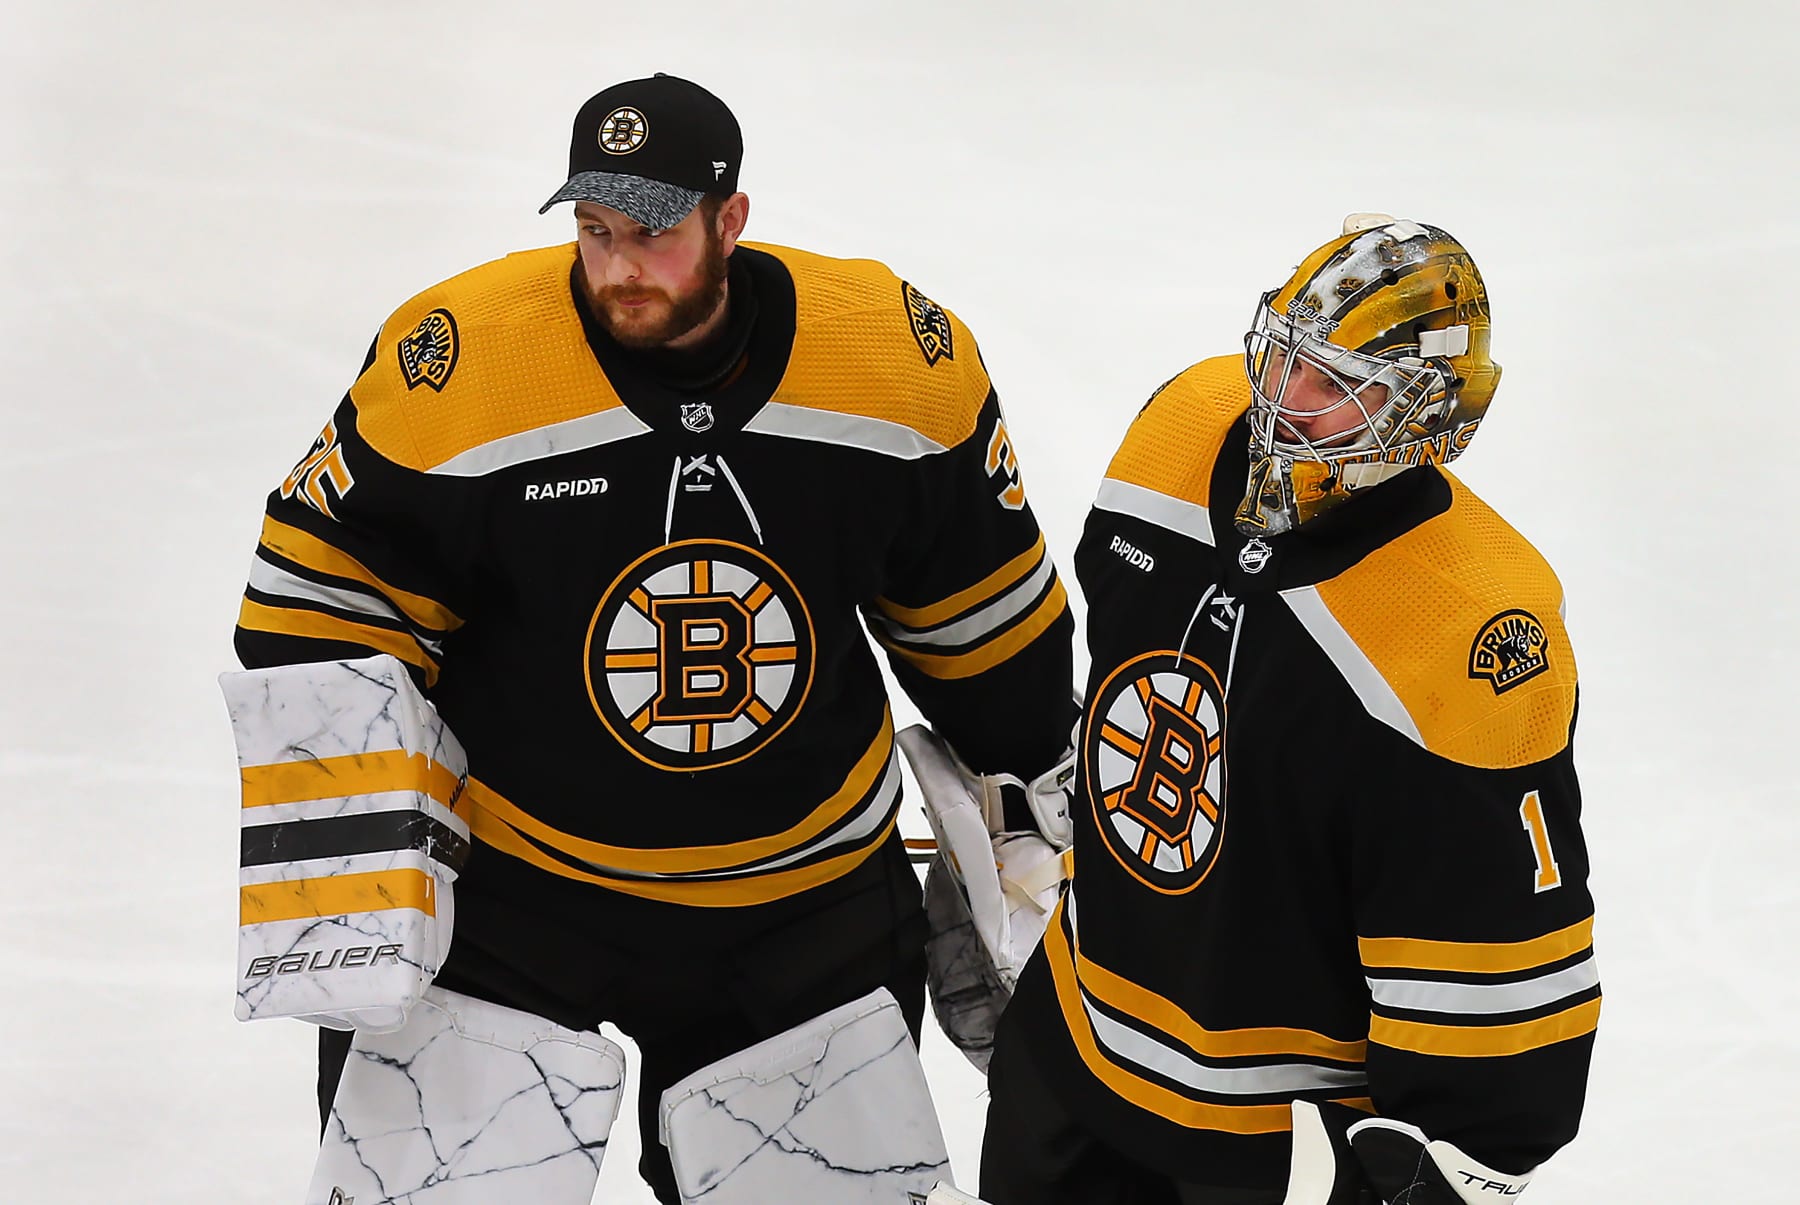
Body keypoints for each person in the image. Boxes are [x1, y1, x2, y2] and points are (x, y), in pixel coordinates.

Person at [229, 72, 1074, 1203]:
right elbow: (311, 606)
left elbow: (984, 620)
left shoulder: (894, 364)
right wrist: (357, 846)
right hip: (516, 894)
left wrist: (1030, 803)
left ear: (730, 219)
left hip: (803, 901)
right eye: (595, 230)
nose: (621, 264)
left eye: (656, 232)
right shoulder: (468, 364)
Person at [983, 215, 1599, 1205]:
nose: (1284, 402)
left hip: (1268, 1145)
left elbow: (1488, 964)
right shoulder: (1181, 425)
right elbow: (1129, 660)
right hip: (1070, 1051)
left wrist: (1428, 1163)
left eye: (1339, 386)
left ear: (1430, 413)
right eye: (1285, 359)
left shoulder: (1472, 622)